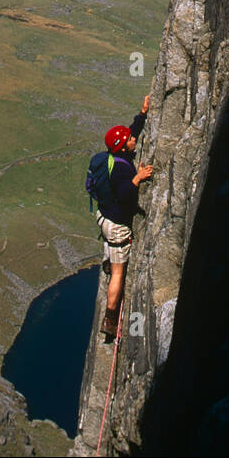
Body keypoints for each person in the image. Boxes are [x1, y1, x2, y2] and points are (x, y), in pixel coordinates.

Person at [91, 95, 153, 336]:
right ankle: (110, 319)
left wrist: (143, 113)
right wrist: (137, 178)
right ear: (122, 146)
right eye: (128, 139)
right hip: (116, 225)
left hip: (104, 218)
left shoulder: (115, 156)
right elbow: (126, 195)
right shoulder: (120, 168)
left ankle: (108, 261)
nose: (132, 138)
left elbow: (131, 131)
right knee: (119, 273)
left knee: (110, 248)